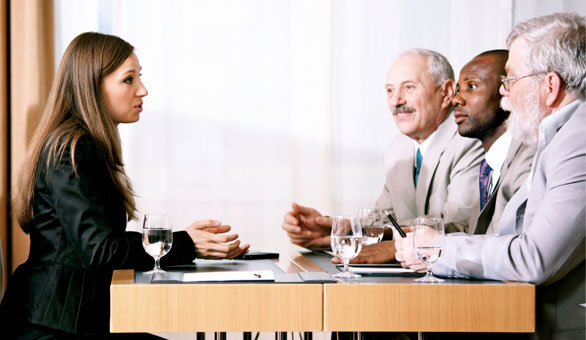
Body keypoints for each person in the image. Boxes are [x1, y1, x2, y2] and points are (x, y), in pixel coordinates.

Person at [0, 32, 250, 339]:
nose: (142, 90)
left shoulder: (81, 144)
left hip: (66, 319)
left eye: (139, 77)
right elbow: (100, 251)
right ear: (92, 86)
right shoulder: (73, 149)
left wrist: (181, 243)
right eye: (128, 80)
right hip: (50, 326)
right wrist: (185, 243)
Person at [396, 12, 585, 339]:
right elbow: (509, 240)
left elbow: (533, 259)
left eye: (510, 80)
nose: (505, 95)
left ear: (550, 86)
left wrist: (438, 249)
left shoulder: (578, 143)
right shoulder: (557, 135)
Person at [282, 49, 484, 263]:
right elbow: (384, 218)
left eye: (409, 87)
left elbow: (455, 227)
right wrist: (333, 228)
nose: (396, 101)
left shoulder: (469, 141)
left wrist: (373, 235)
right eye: (390, 90)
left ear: (446, 92)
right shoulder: (398, 149)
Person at [452, 50, 536, 235]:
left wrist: (434, 245)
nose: (456, 99)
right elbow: (477, 231)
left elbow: (516, 243)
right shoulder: (489, 163)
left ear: (507, 90)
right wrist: (413, 236)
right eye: (458, 90)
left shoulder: (528, 157)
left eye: (472, 86)